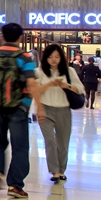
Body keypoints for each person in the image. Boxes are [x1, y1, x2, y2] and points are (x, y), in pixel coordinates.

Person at [0, 23, 39, 198]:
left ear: (2, 36)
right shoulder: (25, 57)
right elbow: (31, 83)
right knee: (20, 146)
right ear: (20, 37)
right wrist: (39, 107)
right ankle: (15, 185)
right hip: (18, 107)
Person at [34, 44, 84, 184]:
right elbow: (35, 90)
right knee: (50, 141)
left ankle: (61, 170)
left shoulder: (69, 71)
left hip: (64, 110)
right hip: (46, 109)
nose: (54, 60)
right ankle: (54, 171)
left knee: (63, 142)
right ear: (45, 58)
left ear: (62, 58)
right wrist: (49, 84)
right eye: (50, 57)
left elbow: (80, 88)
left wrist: (66, 86)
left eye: (57, 57)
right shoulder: (39, 72)